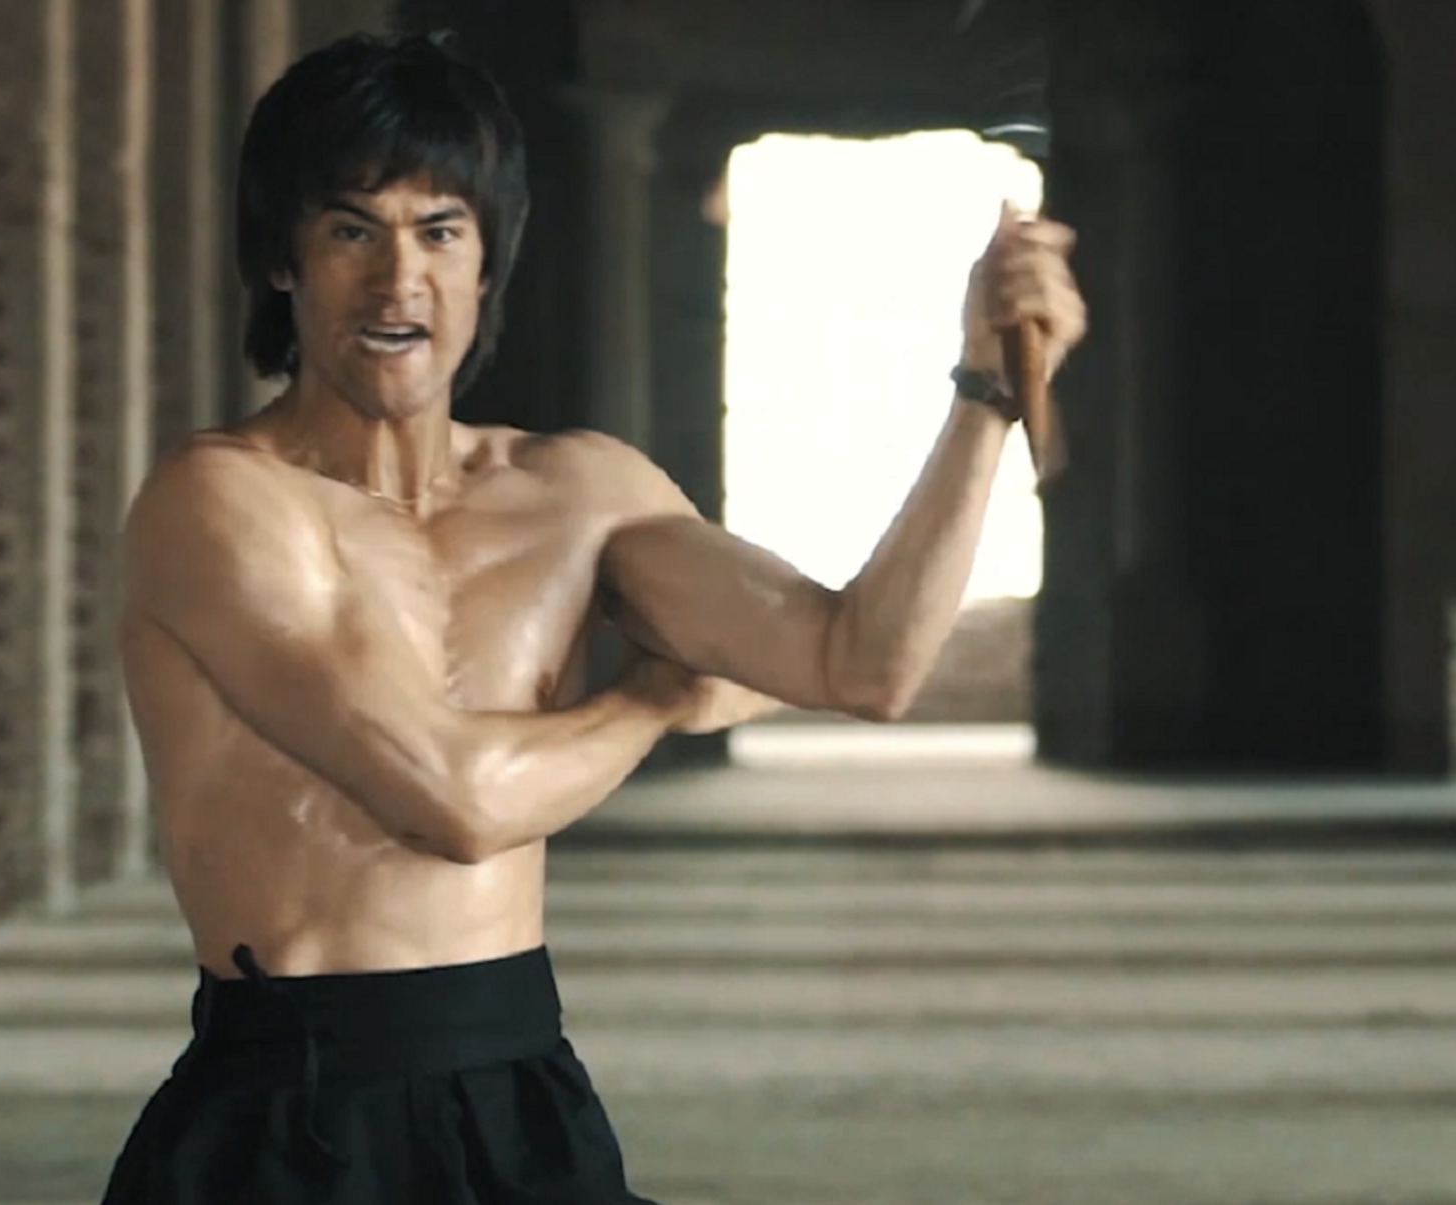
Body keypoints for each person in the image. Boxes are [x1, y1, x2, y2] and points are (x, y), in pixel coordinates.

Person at [100, 29, 1086, 1205]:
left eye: (440, 231)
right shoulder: (217, 502)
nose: (399, 279)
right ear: (283, 260)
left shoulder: (577, 492)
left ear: (486, 262)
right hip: (292, 1107)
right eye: (352, 230)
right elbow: (457, 802)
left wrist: (982, 394)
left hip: (520, 1086)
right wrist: (657, 697)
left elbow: (862, 660)